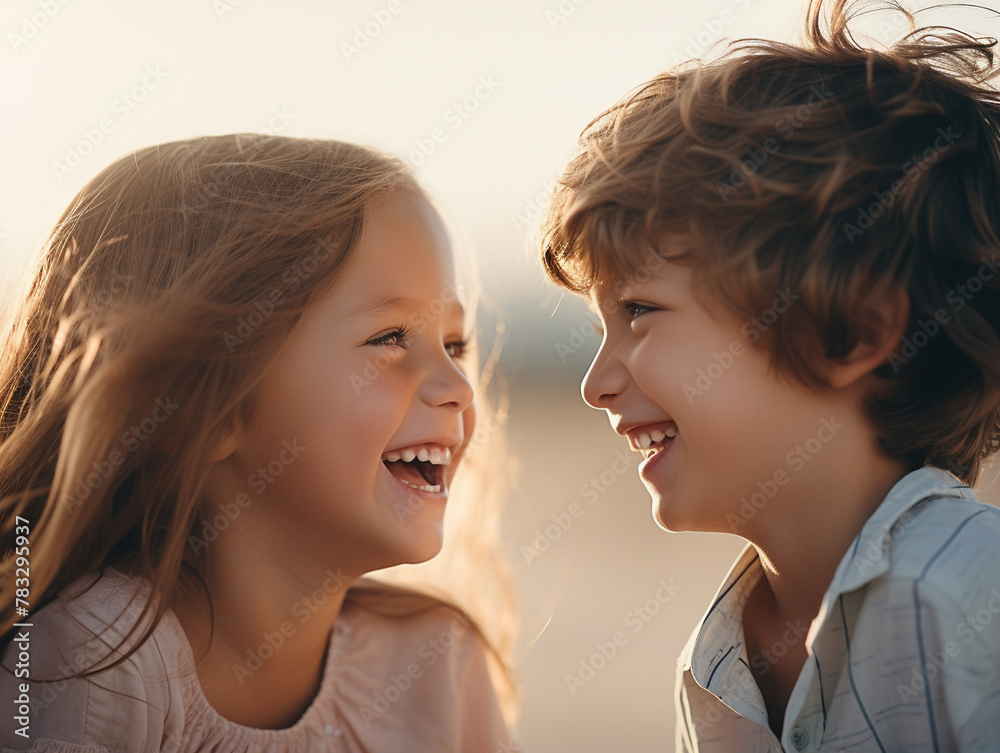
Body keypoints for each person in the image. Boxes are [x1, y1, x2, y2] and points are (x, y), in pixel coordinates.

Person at [538, 0, 1000, 749]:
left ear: (850, 329)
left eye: (641, 311)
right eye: (601, 330)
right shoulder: (714, 659)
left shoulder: (972, 591)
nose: (595, 384)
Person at [0, 134, 519, 751]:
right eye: (390, 338)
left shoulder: (437, 660)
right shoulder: (95, 664)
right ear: (199, 408)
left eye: (454, 345)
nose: (458, 386)